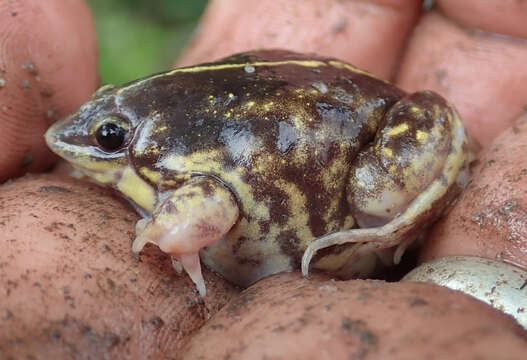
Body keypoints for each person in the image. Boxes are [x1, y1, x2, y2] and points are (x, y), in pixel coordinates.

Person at [1, 1, 526, 358]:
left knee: (376, 191)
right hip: (310, 98)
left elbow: (207, 208)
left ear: (144, 140)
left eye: (111, 137)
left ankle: (401, 214)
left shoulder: (181, 171)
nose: (76, 145)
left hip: (368, 122)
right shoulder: (171, 147)